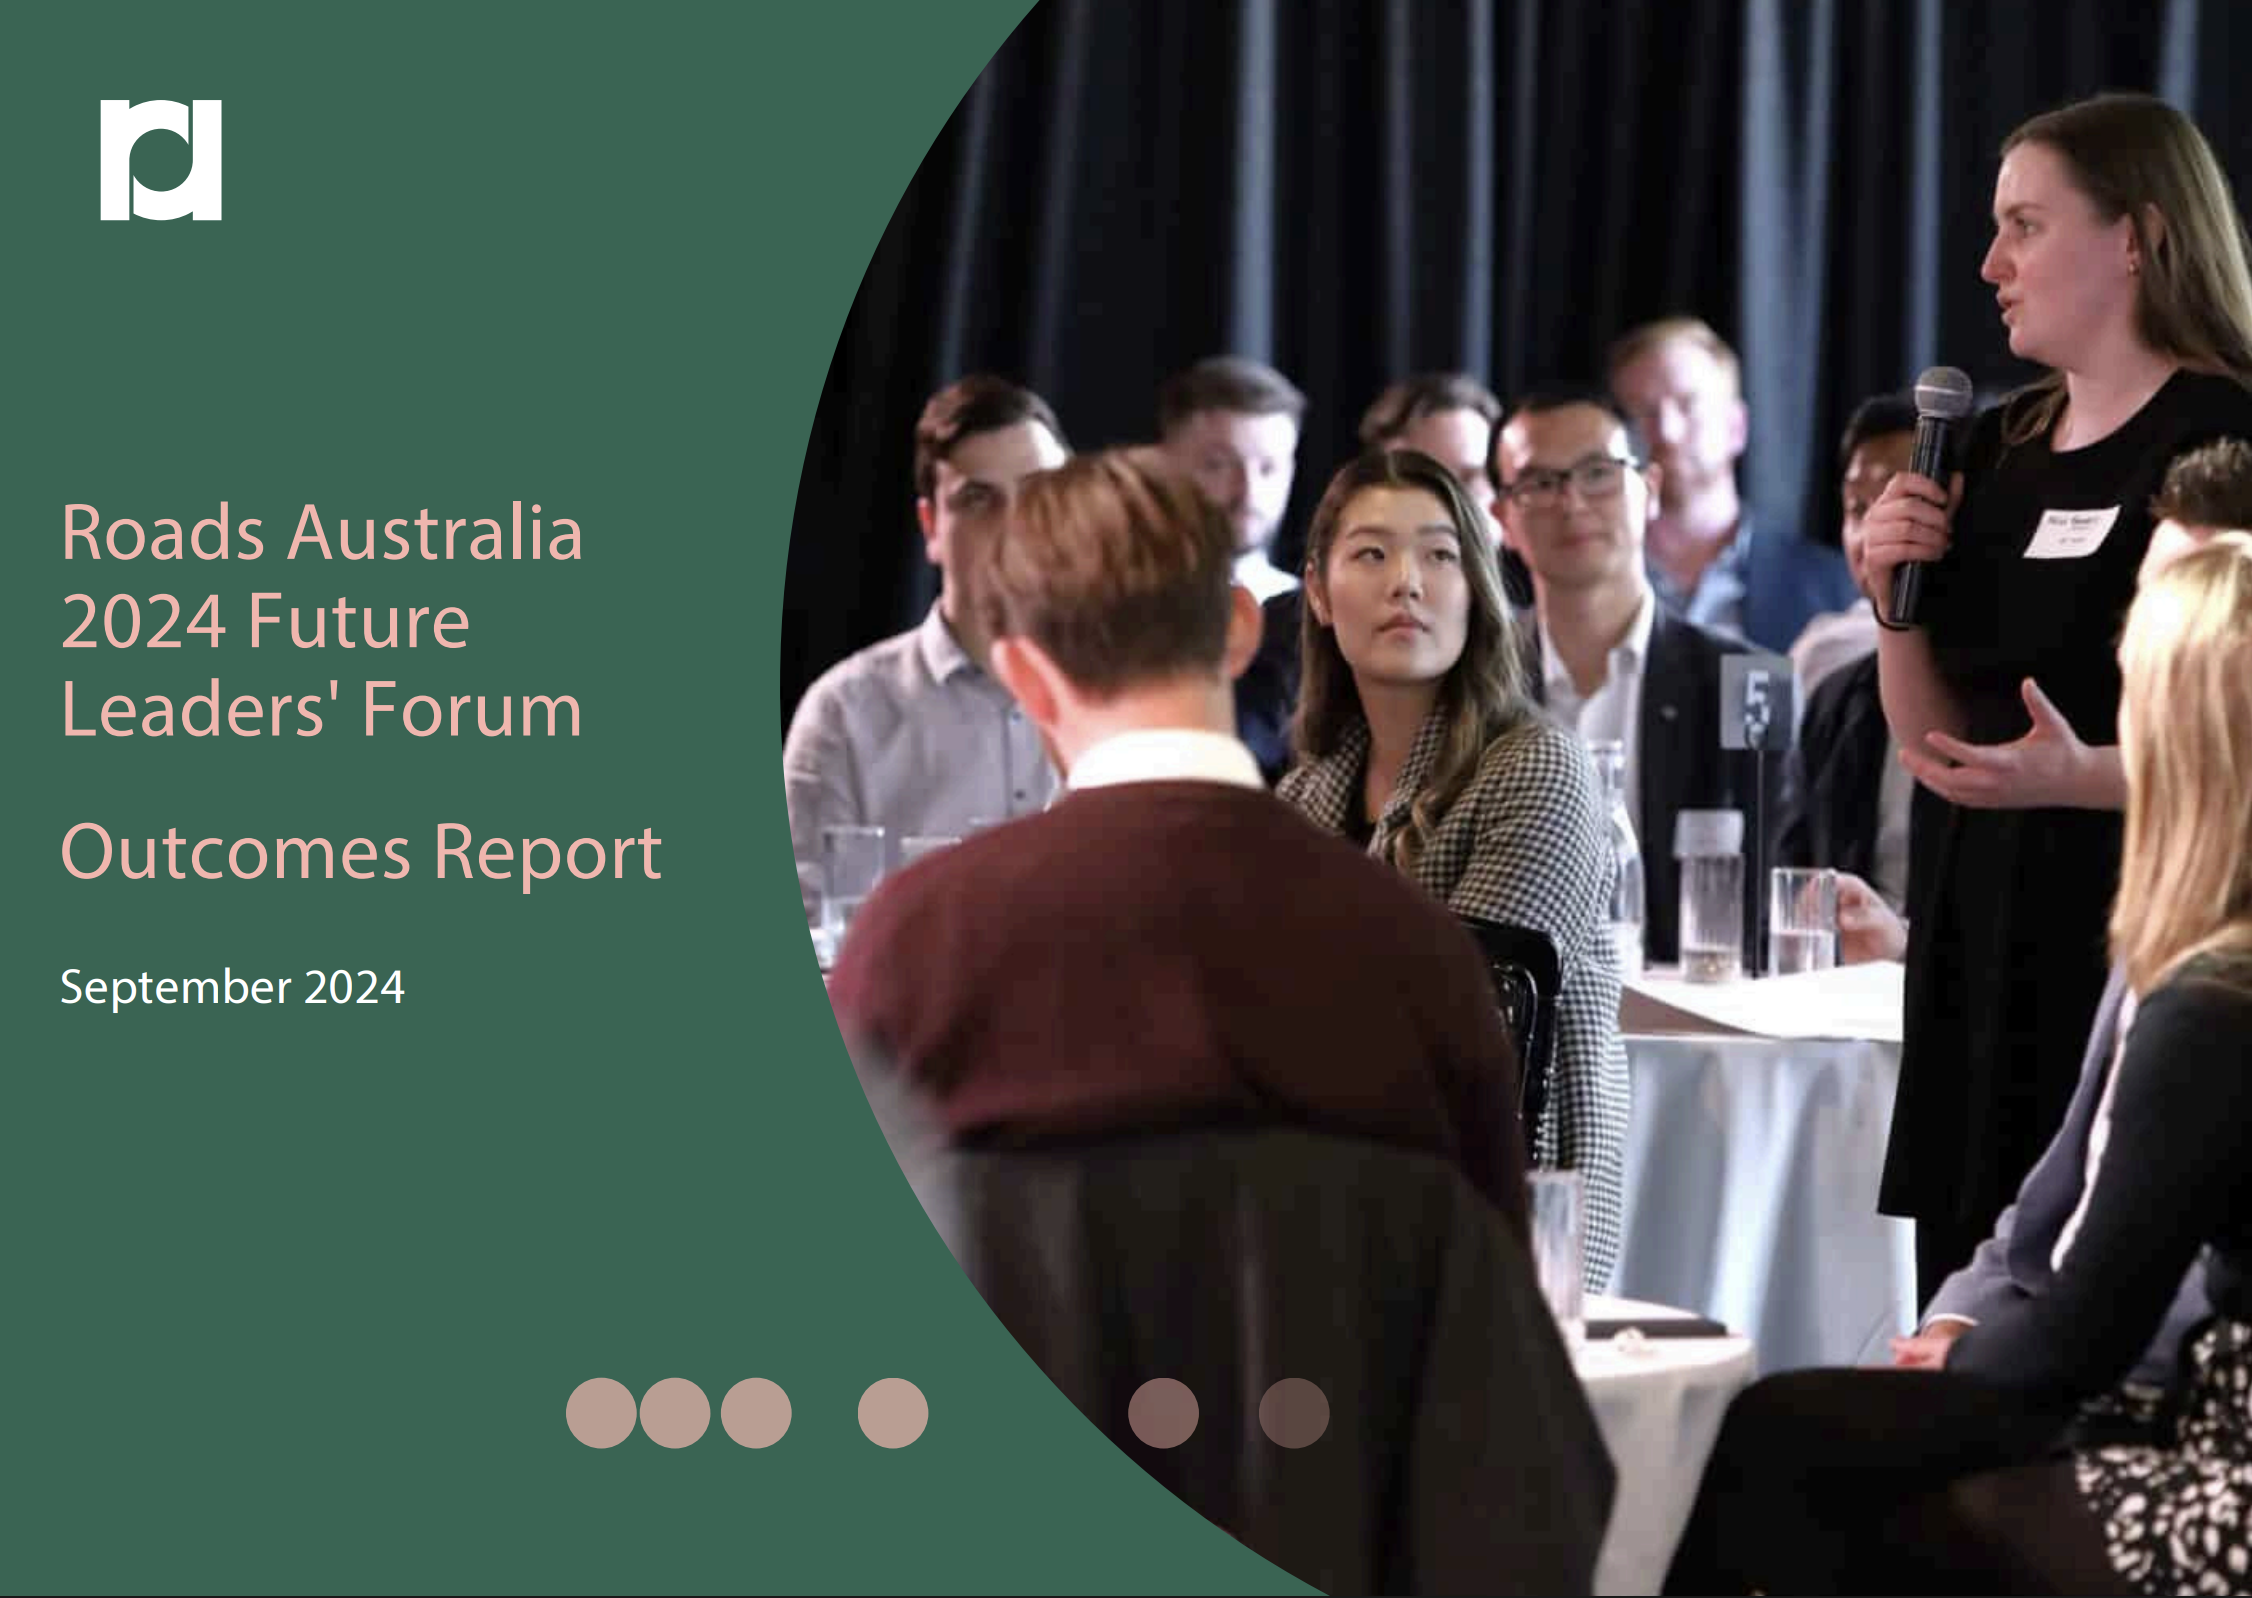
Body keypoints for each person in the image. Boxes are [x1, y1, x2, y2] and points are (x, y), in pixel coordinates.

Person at [1666, 533, 2252, 1596]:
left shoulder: (2213, 1000)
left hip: (2221, 1469)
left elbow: (2085, 1339)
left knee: (1775, 1442)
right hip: (2197, 1412)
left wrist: (1953, 1358)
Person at [829, 448, 1530, 1220]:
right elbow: (1493, 1271)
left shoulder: (910, 946)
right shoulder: (1428, 958)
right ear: (1240, 630)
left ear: (1023, 678)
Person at [1858, 92, 2252, 1300]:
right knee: (1963, 1308)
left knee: (2106, 1313)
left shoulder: (2228, 447)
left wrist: (2085, 777)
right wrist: (1889, 601)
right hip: (1978, 944)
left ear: (2134, 237)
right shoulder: (1990, 449)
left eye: (2023, 226)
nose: (1990, 264)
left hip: (2150, 940)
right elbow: (1931, 741)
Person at [1888, 468, 2252, 1388]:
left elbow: (2136, 1309)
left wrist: (1975, 1362)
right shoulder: (2167, 915)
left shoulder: (2218, 984)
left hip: (2151, 1397)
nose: (2135, 651)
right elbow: (2054, 1204)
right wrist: (1958, 1318)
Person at [1276, 446, 1629, 1287]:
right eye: (1372, 554)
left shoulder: (1536, 766)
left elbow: (1470, 1031)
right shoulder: (1303, 795)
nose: (1407, 583)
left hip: (1506, 1214)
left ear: (1476, 587)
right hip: (1329, 1204)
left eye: (1439, 555)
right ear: (1318, 592)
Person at [1489, 385, 1783, 970]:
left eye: (1598, 473)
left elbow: (1773, 884)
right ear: (1503, 519)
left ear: (1649, 489)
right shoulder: (1475, 686)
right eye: (1540, 483)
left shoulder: (1751, 680)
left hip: (1698, 1008)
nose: (1571, 502)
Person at [781, 375, 1069, 902]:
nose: (1013, 525)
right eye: (978, 499)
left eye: (1037, 493)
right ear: (931, 526)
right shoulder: (844, 718)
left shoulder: (1131, 703)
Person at [1238, 372, 1508, 784]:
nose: (1407, 582)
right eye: (1426, 475)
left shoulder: (1525, 756)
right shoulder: (1314, 778)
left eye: (1473, 476)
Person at [1608, 315, 1860, 651]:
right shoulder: (1577, 582)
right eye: (1644, 412)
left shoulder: (1833, 591)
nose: (1667, 431)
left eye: (1688, 404)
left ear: (1736, 427)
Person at [1775, 395, 1918, 957]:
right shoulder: (1836, 697)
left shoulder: (2013, 690)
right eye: (1858, 508)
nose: (1870, 532)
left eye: (1897, 501)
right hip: (1843, 994)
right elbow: (1794, 879)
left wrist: (1905, 948)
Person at [1156, 355, 1306, 605]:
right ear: (1166, 466)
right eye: (1219, 465)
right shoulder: (1109, 603)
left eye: (1268, 468)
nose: (1250, 491)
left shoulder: (1316, 616)